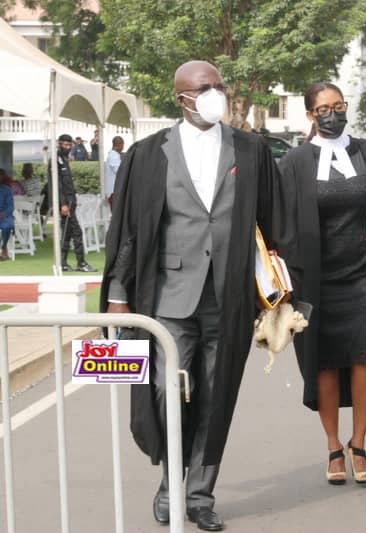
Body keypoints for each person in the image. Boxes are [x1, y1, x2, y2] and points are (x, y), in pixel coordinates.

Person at [100, 60, 282, 531]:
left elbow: (272, 224)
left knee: (216, 395)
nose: (214, 94)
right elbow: (130, 233)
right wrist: (119, 295)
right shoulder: (148, 154)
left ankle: (199, 495)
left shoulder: (251, 148)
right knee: (167, 390)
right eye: (204, 88)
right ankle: (170, 481)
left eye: (219, 86)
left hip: (230, 295)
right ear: (181, 98)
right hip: (168, 296)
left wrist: (280, 297)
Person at [276, 82, 366, 486]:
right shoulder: (296, 162)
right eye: (323, 108)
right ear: (310, 115)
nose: (332, 113)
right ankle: (334, 445)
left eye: (338, 106)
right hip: (314, 278)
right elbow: (276, 212)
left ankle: (360, 442)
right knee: (325, 362)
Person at [49, 134, 96, 272]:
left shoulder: (64, 159)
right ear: (59, 144)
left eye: (69, 145)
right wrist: (62, 204)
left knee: (67, 233)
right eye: (65, 145)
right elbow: (57, 185)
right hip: (65, 203)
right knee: (76, 232)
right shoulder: (56, 160)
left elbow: (67, 184)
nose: (68, 147)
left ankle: (62, 262)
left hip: (71, 201)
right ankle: (80, 263)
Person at [104, 136, 124, 209]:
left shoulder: (114, 155)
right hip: (114, 192)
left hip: (114, 191)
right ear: (118, 145)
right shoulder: (114, 156)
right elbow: (120, 172)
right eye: (122, 145)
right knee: (117, 214)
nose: (122, 148)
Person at [0, 170, 14, 260]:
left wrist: (2, 214)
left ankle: (3, 246)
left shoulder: (7, 189)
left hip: (4, 215)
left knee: (7, 226)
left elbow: (10, 207)